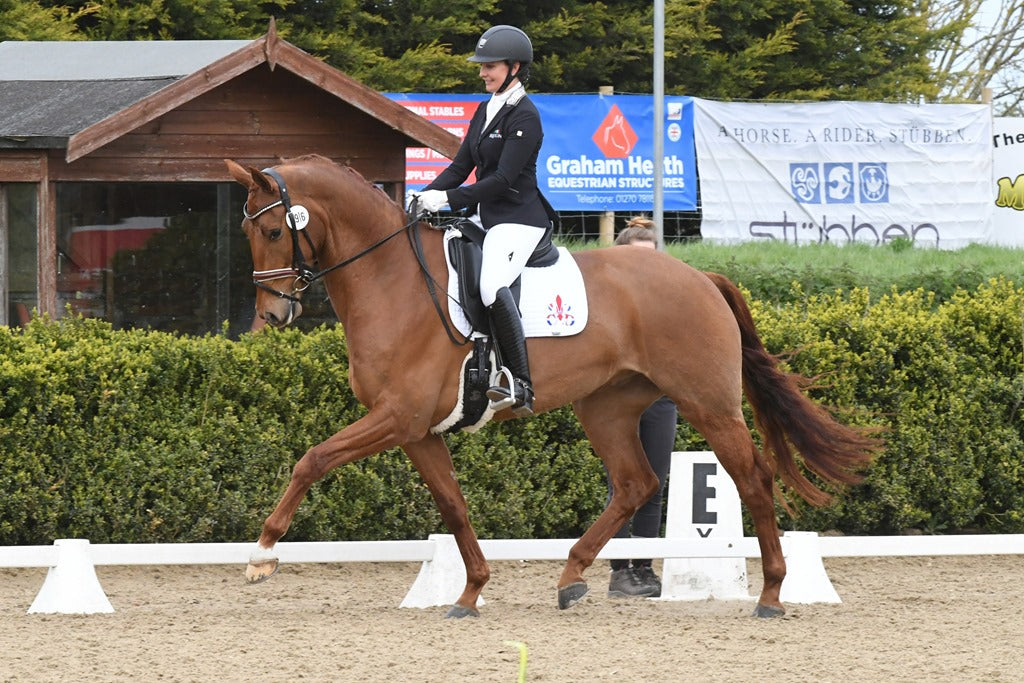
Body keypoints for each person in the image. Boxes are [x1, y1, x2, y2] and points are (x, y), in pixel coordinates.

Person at [412, 25, 556, 417]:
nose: (482, 73)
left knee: (492, 284)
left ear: (514, 67)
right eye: (482, 67)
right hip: (485, 217)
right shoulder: (485, 108)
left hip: (518, 221)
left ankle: (520, 383)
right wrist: (423, 195)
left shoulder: (526, 115)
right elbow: (461, 167)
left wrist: (448, 199)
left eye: (489, 66)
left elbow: (502, 180)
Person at [606, 216, 678, 598]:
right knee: (621, 483)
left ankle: (644, 568)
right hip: (617, 400)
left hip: (659, 397)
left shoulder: (670, 300)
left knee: (655, 483)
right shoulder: (608, 304)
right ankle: (619, 570)